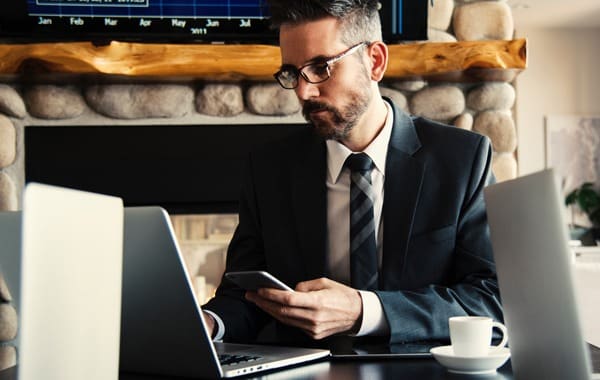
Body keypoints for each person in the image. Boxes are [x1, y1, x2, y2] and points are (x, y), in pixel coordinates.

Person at [202, 0, 502, 347]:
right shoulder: (268, 169)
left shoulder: (462, 159)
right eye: (292, 73)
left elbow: (490, 298)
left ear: (375, 61)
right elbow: (245, 296)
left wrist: (365, 311)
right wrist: (208, 322)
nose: (304, 91)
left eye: (320, 67)